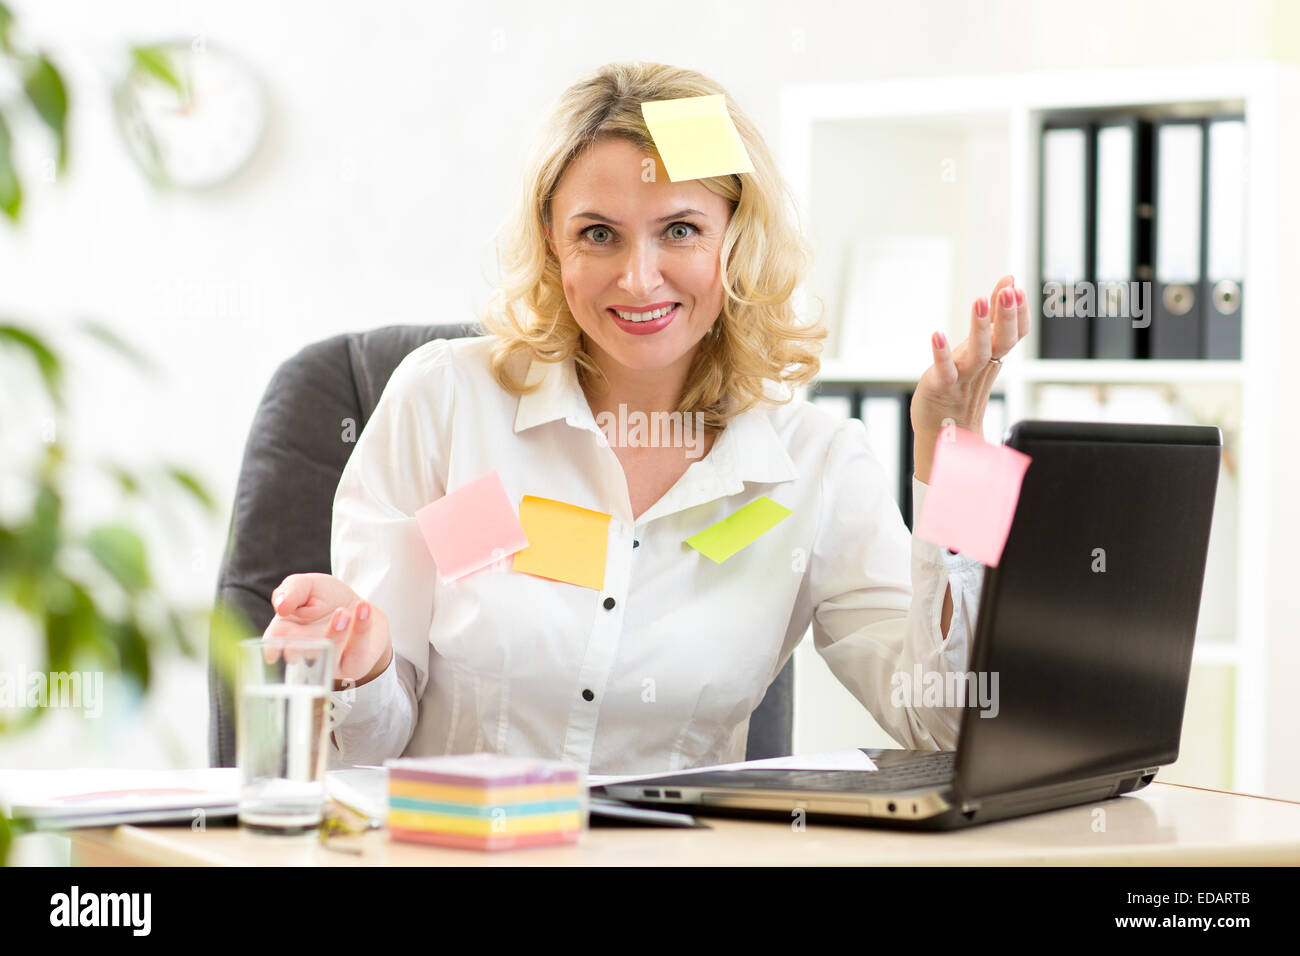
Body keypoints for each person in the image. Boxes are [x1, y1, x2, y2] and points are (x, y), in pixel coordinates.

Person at [263, 61, 1028, 774]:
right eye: (599, 234)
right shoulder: (445, 404)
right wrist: (360, 663)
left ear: (738, 240)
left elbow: (949, 729)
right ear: (553, 246)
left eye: (680, 229)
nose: (638, 277)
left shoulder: (817, 463)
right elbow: (367, 751)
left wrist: (958, 459)